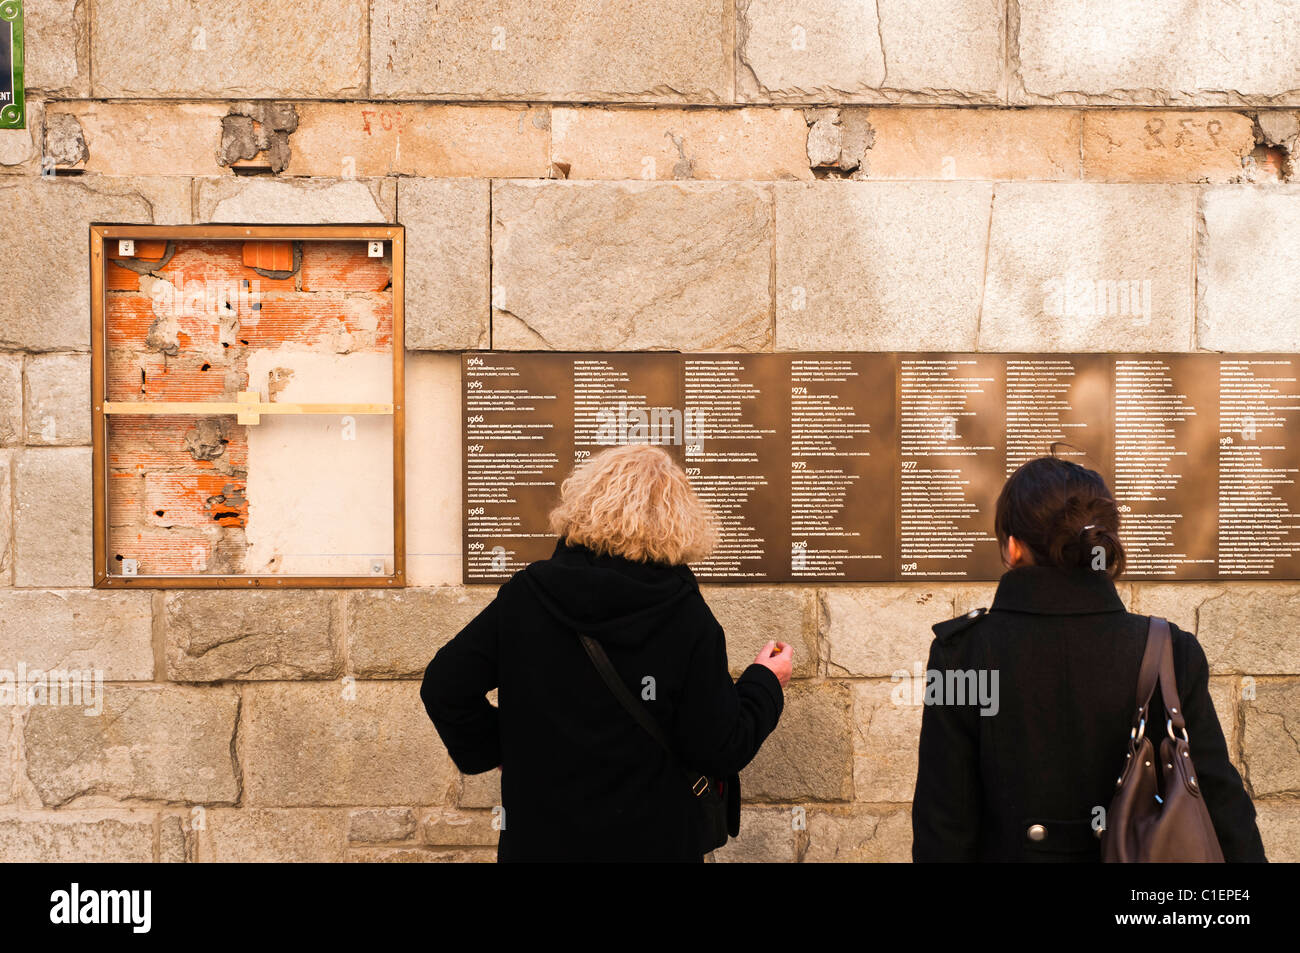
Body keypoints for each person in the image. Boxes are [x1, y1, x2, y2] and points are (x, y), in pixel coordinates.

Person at [421, 443, 791, 862]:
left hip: (540, 845)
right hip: (653, 843)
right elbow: (718, 748)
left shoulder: (527, 597)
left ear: (583, 504)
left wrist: (501, 748)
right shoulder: (686, 615)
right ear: (679, 520)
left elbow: (444, 687)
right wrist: (765, 681)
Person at [912, 454, 1266, 862]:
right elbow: (1221, 803)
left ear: (1012, 548)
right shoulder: (1170, 648)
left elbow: (943, 825)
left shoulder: (960, 653)